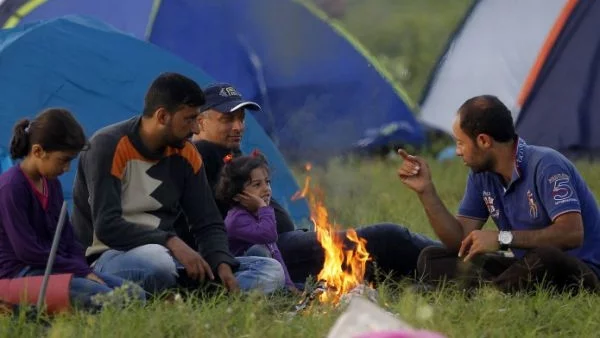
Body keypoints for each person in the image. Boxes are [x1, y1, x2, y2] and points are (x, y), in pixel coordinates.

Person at [191, 83, 441, 285]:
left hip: (283, 246)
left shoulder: (226, 154)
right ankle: (460, 260)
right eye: (227, 119)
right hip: (270, 252)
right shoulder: (202, 153)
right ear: (200, 123)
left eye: (241, 118)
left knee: (380, 257)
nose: (238, 126)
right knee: (389, 237)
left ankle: (451, 267)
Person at [71, 73, 285, 295]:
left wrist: (221, 262)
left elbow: (207, 222)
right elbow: (107, 226)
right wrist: (171, 241)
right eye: (189, 119)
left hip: (169, 257)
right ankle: (193, 293)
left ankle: (185, 294)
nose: (195, 129)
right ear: (163, 116)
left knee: (270, 269)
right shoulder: (108, 145)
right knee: (157, 264)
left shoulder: (187, 153)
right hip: (110, 257)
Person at [398, 95, 600, 294]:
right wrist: (427, 191)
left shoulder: (547, 165)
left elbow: (572, 234)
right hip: (526, 267)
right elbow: (458, 241)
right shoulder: (482, 176)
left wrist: (503, 238)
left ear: (484, 141)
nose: (458, 151)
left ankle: (485, 294)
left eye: (460, 143)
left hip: (580, 271)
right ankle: (494, 292)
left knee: (546, 256)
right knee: (433, 257)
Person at [0, 109, 145, 310]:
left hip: (53, 268)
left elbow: (68, 238)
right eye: (63, 159)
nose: (67, 169)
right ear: (38, 151)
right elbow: (28, 251)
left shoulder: (52, 184)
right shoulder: (11, 187)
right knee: (106, 299)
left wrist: (83, 268)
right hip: (21, 272)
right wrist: (80, 271)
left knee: (135, 295)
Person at [216, 151, 297, 292]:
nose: (266, 189)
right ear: (237, 195)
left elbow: (275, 252)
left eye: (267, 182)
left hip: (268, 272)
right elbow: (269, 235)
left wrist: (289, 285)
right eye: (257, 185)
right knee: (259, 250)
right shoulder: (236, 219)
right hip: (244, 275)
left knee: (268, 252)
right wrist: (263, 207)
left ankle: (282, 291)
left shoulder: (257, 215)